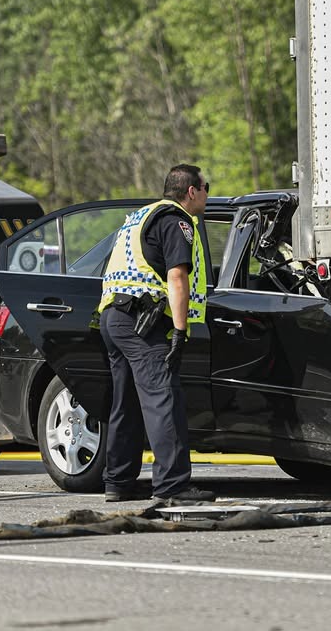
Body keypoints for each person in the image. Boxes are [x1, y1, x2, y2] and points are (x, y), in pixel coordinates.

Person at [97, 164, 216, 504]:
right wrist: (180, 331)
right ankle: (173, 486)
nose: (207, 192)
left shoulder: (139, 216)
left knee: (128, 402)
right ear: (191, 191)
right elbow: (177, 277)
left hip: (115, 318)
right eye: (205, 186)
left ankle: (118, 482)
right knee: (164, 399)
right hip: (142, 323)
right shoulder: (176, 220)